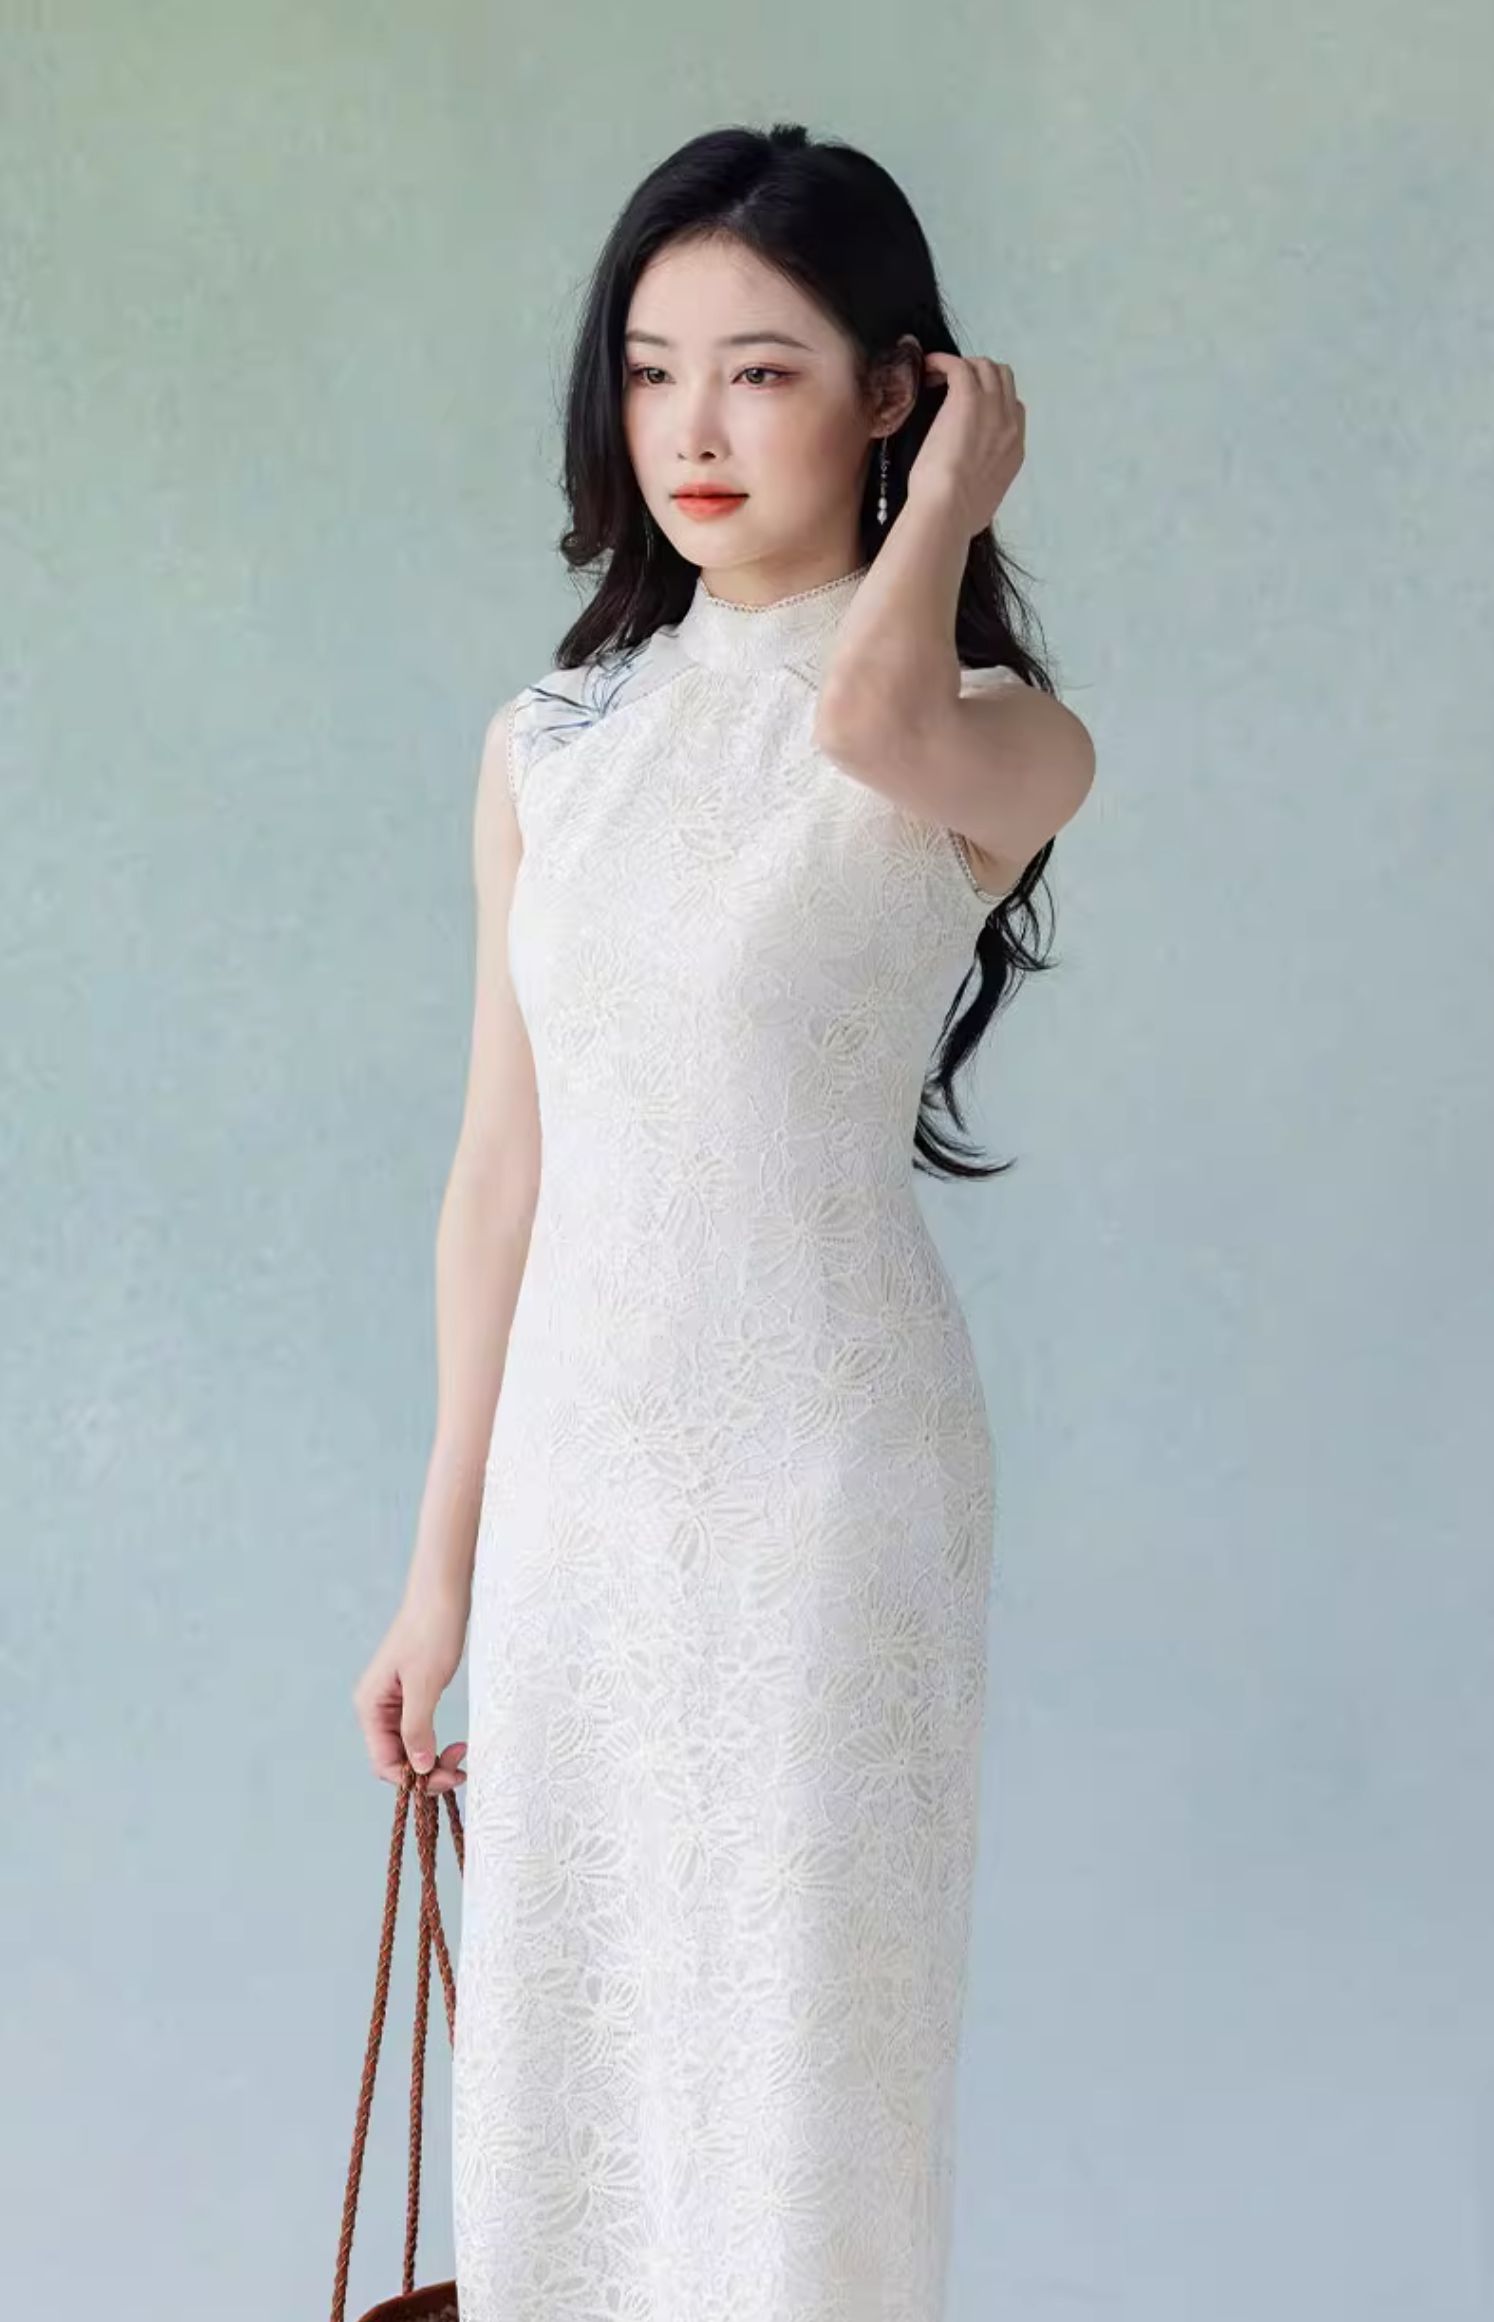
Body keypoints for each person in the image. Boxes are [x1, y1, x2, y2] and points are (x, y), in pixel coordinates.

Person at [353, 119, 1094, 2322]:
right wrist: (440, 1569)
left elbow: (862, 714)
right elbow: (501, 1168)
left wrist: (942, 507)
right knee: (572, 2081)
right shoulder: (551, 744)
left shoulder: (1003, 738)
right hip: (583, 1485)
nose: (690, 427)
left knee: (798, 2079)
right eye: (652, 367)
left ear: (894, 391)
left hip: (827, 1482)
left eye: (762, 372)